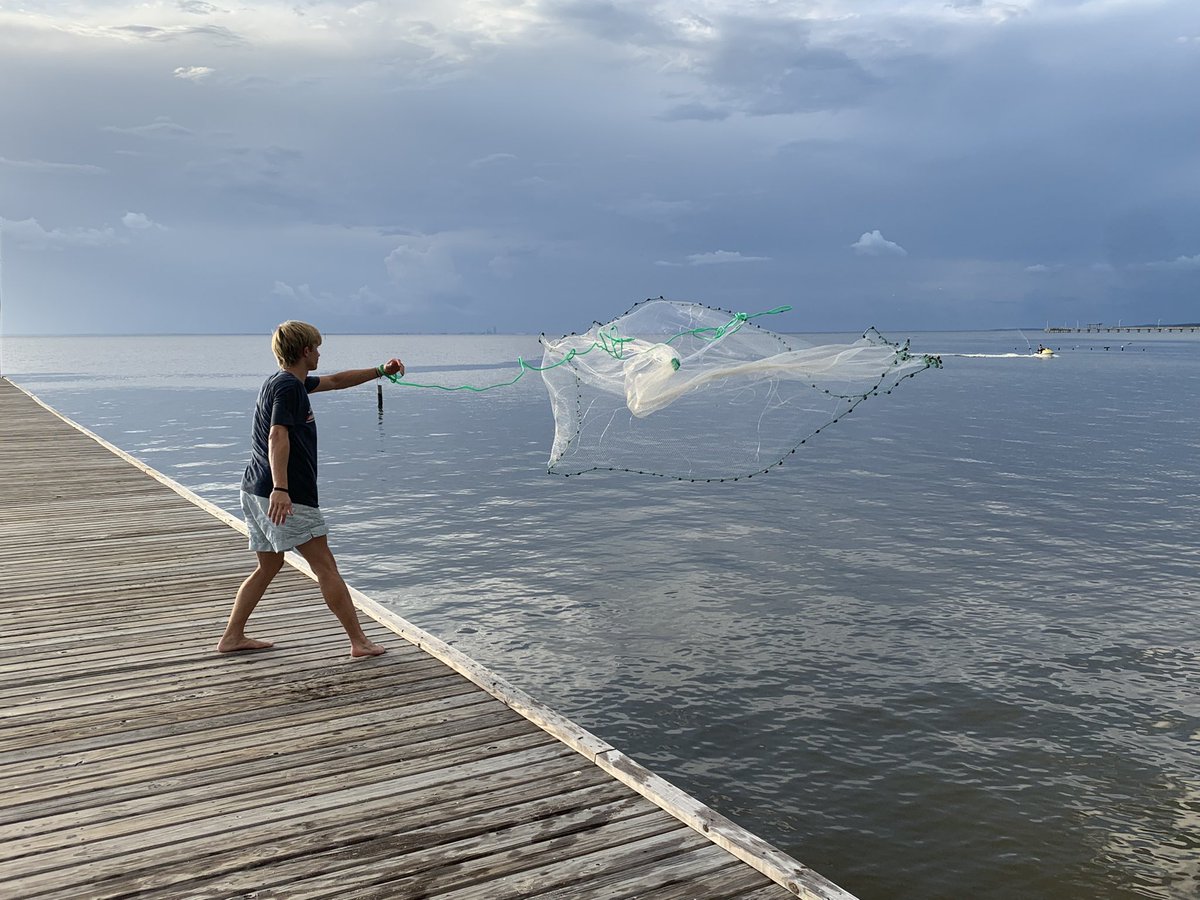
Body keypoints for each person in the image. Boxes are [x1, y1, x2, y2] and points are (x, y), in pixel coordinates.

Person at [217, 320, 404, 657]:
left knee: (269, 566)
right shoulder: (290, 388)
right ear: (305, 351)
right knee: (326, 567)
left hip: (254, 488)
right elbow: (277, 434)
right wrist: (281, 488)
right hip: (285, 495)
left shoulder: (284, 381)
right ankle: (359, 642)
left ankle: (232, 636)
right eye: (316, 348)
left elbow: (336, 381)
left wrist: (380, 370)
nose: (319, 353)